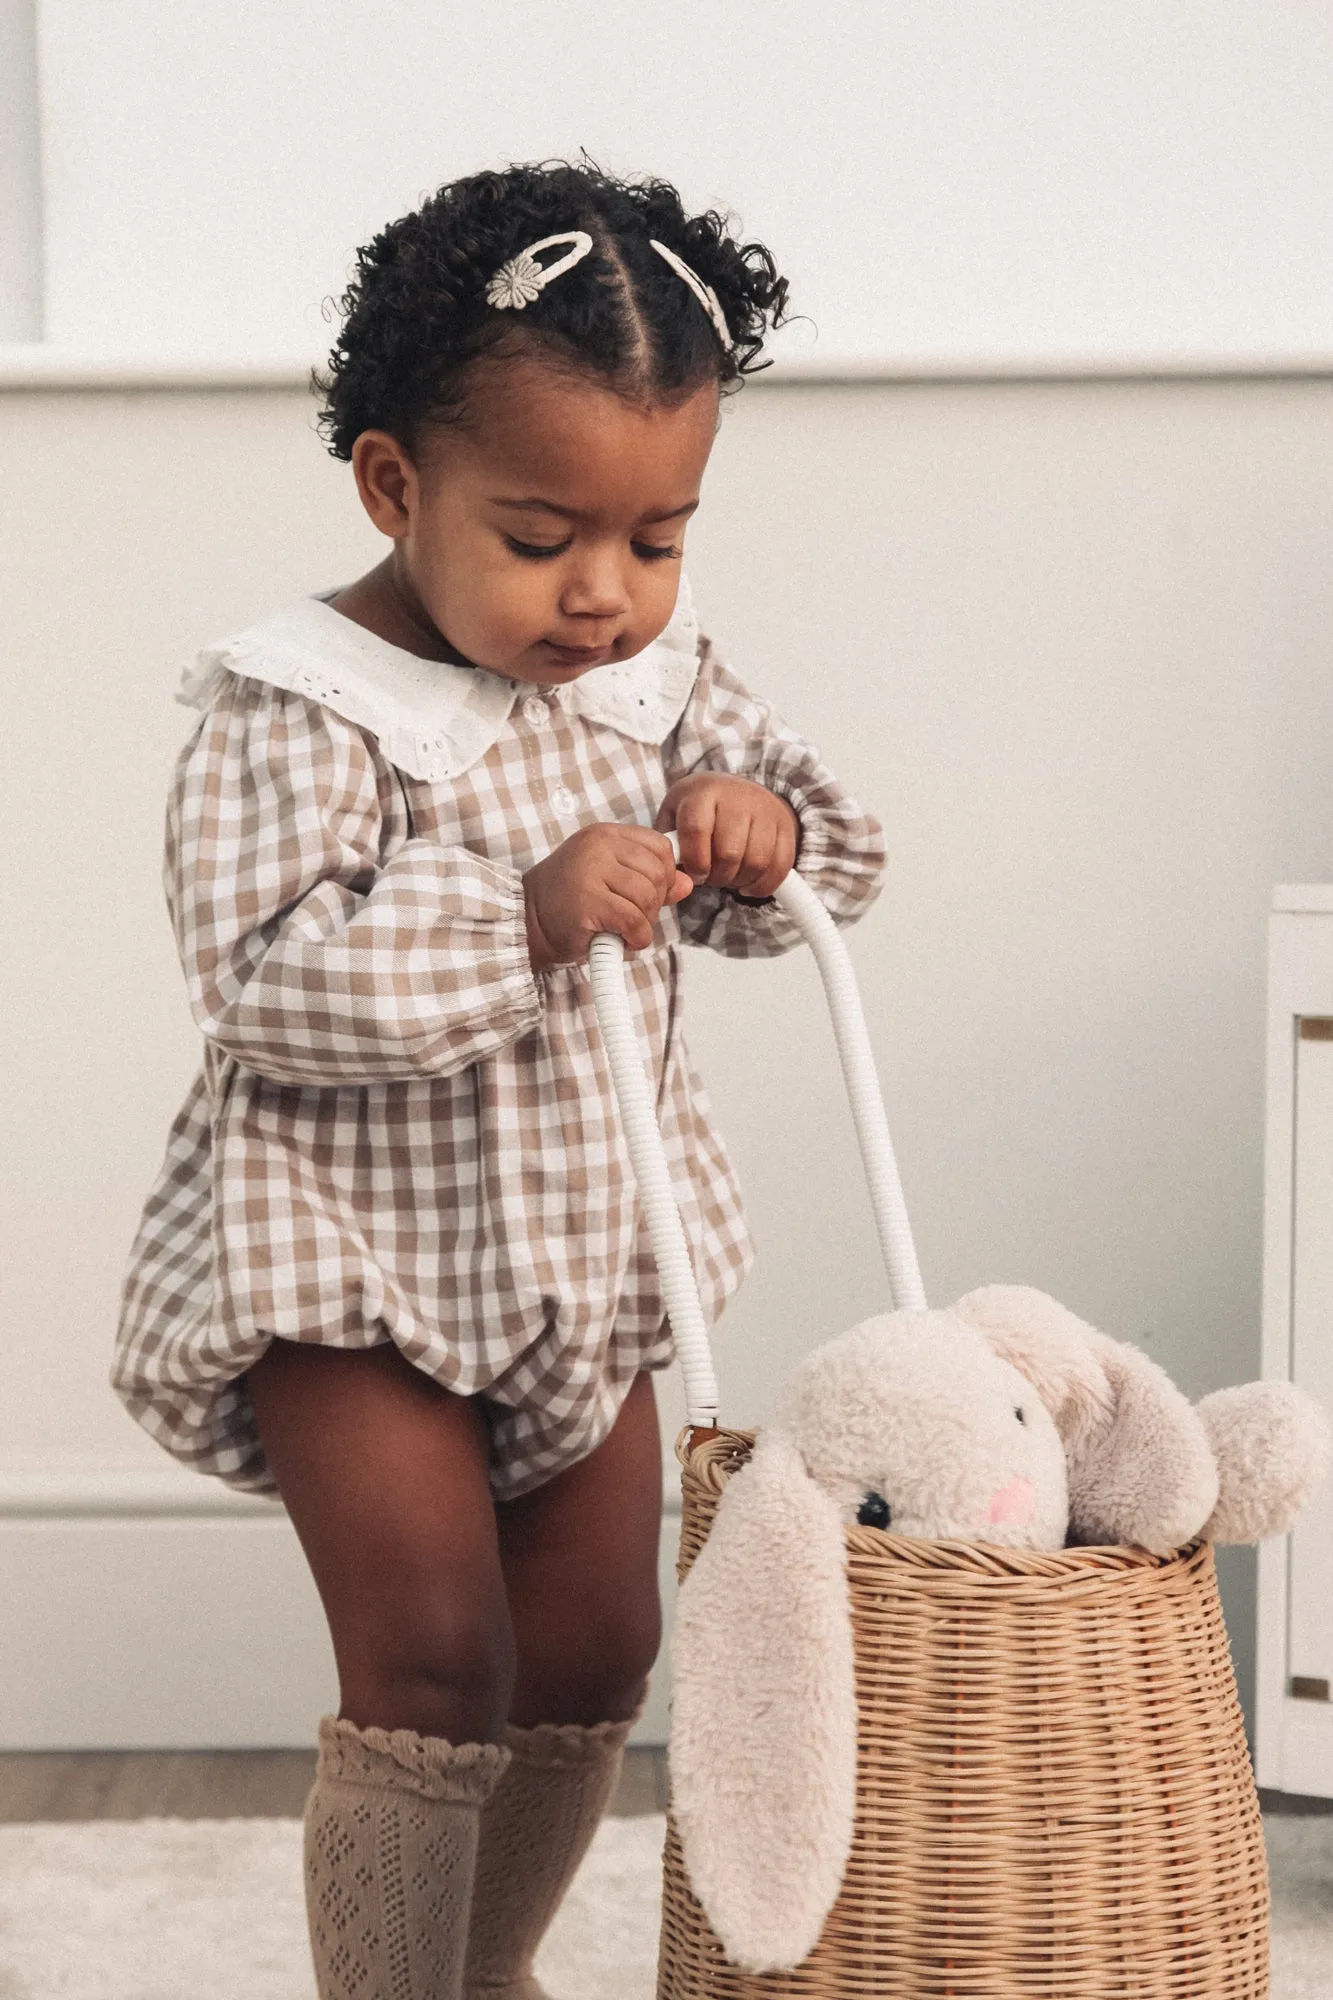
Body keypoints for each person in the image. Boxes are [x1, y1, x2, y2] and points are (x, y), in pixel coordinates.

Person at [111, 160, 885, 1999]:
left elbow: (827, 871)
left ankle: (485, 1970)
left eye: (660, 535)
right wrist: (524, 914)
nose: (604, 596)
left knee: (604, 1647)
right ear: (396, 484)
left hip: (579, 1252)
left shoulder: (654, 685)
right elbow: (264, 985)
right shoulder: (296, 704)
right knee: (440, 1658)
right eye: (541, 540)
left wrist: (755, 828)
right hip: (351, 1267)